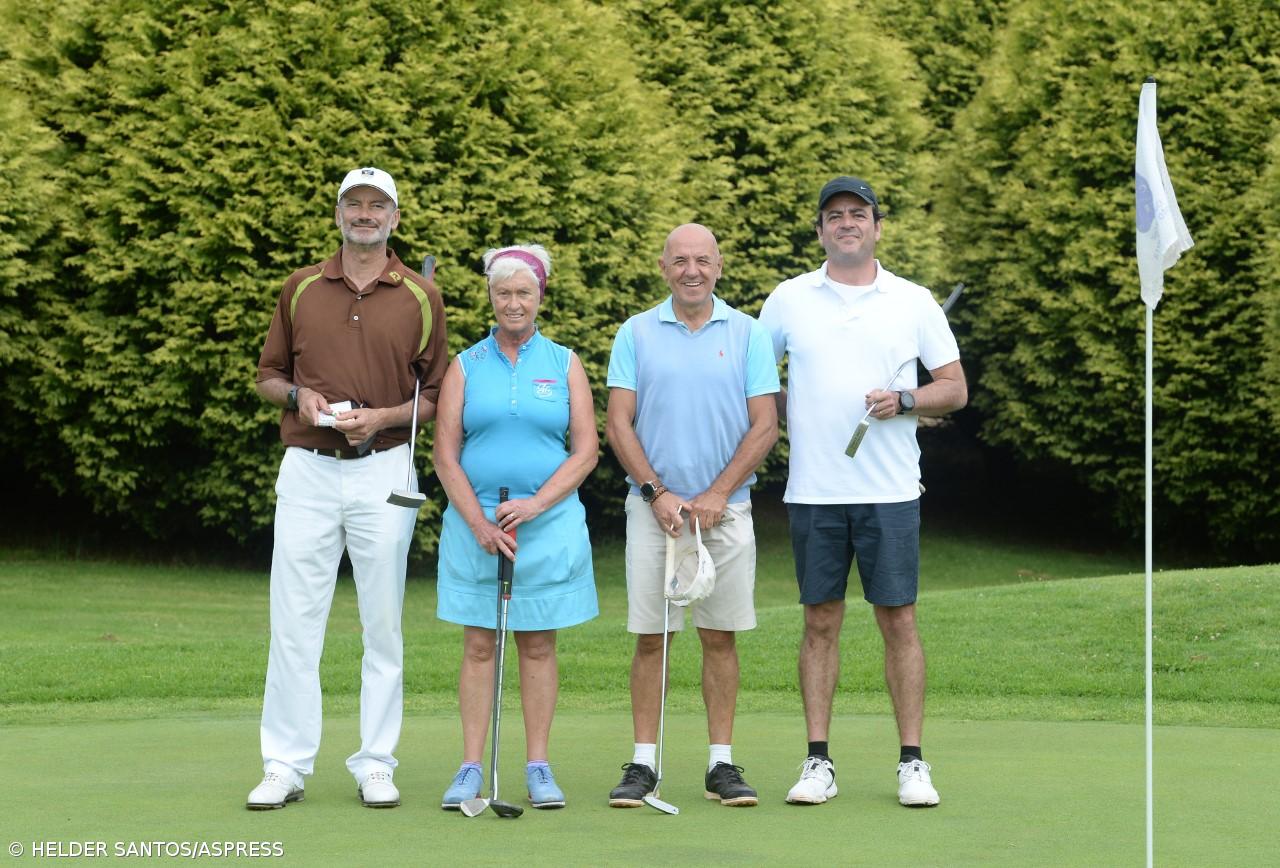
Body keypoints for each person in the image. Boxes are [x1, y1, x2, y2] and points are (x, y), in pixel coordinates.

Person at [759, 176, 967, 807]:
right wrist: (796, 412)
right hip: (815, 490)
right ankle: (818, 762)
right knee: (820, 621)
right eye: (834, 216)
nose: (846, 223)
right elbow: (758, 386)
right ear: (820, 231)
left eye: (858, 214)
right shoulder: (789, 299)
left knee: (898, 619)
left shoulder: (913, 301)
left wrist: (905, 398)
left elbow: (954, 389)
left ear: (877, 226)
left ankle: (912, 764)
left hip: (890, 491)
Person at [247, 167, 448, 810]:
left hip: (385, 469)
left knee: (382, 621)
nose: (364, 214)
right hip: (308, 467)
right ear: (338, 214)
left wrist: (385, 418)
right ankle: (285, 763)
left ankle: (376, 761)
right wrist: (301, 397)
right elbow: (269, 376)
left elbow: (438, 394)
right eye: (353, 204)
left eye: (377, 206)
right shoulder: (301, 287)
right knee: (294, 622)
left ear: (393, 218)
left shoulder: (420, 295)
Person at [604, 223, 779, 808]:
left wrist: (716, 493)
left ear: (719, 266)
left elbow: (765, 425)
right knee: (652, 638)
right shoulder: (635, 332)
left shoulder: (749, 334)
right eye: (680, 260)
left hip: (725, 513)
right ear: (663, 268)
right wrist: (656, 492)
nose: (692, 270)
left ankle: (721, 765)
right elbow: (618, 423)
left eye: (702, 260)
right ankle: (643, 764)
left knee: (719, 637)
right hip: (654, 511)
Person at [433, 244, 599, 810]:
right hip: (474, 523)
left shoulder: (564, 362)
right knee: (479, 646)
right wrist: (478, 522)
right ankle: (470, 767)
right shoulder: (465, 365)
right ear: (490, 297)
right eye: (502, 292)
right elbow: (445, 456)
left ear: (540, 297)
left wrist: (534, 505)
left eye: (523, 292)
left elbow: (585, 452)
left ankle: (538, 765)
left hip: (546, 525)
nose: (513, 302)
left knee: (537, 646)